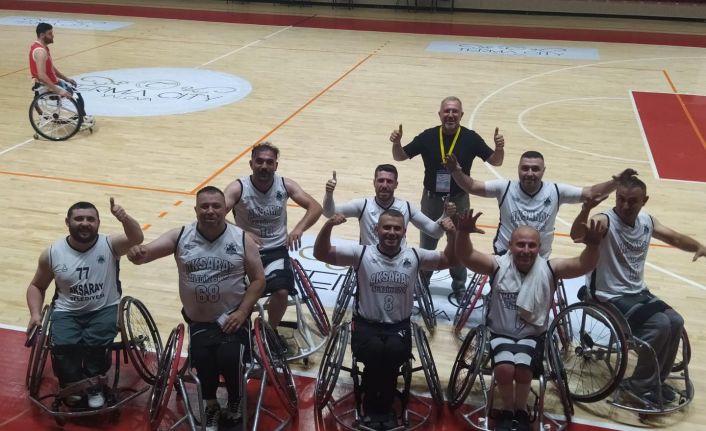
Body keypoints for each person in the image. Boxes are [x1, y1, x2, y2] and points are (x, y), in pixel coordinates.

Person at [127, 186, 265, 431]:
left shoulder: (242, 239)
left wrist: (243, 312)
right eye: (204, 206)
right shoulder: (180, 236)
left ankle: (235, 400)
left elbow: (258, 280)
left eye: (216, 206)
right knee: (203, 359)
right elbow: (146, 254)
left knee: (229, 356)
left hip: (233, 317)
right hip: (200, 322)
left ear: (225, 209)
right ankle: (211, 405)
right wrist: (137, 253)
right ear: (196, 210)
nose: (210, 211)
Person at [455, 209, 604, 431]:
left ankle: (522, 411)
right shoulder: (497, 265)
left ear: (539, 247)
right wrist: (463, 234)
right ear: (510, 246)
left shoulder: (550, 268)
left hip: (533, 337)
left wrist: (592, 246)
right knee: (505, 370)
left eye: (531, 245)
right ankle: (508, 410)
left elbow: (583, 264)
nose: (526, 250)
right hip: (500, 334)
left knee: (524, 369)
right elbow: (466, 256)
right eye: (520, 245)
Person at [314, 209, 456, 429]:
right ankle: (375, 407)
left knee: (393, 352)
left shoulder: (414, 255)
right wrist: (328, 226)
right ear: (376, 229)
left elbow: (450, 259)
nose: (391, 232)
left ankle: (381, 404)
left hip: (398, 326)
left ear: (404, 231)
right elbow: (321, 253)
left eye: (397, 228)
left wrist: (452, 235)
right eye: (386, 227)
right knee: (374, 351)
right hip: (366, 325)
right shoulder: (361, 253)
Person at [570, 176, 705, 405]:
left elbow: (674, 237)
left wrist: (699, 246)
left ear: (644, 201)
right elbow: (576, 235)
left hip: (637, 293)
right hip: (605, 296)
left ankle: (656, 381)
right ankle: (639, 386)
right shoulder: (605, 221)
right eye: (621, 199)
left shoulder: (646, 221)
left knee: (675, 321)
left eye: (632, 201)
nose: (625, 205)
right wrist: (585, 210)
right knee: (659, 325)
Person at [26, 198, 143, 409]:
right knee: (63, 347)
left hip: (103, 308)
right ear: (67, 222)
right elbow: (36, 286)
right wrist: (35, 313)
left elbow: (136, 237)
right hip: (66, 311)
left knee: (96, 344)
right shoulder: (52, 253)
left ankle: (94, 385)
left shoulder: (109, 245)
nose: (85, 223)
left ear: (98, 222)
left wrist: (123, 217)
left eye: (90, 219)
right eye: (79, 219)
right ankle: (71, 384)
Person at [389, 96, 505, 297]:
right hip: (431, 200)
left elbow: (496, 161)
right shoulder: (428, 136)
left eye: (454, 111)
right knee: (427, 245)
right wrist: (397, 143)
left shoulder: (471, 138)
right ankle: (422, 285)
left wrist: (499, 148)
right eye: (446, 111)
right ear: (440, 114)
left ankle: (459, 287)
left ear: (461, 115)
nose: (450, 115)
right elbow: (399, 156)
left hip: (459, 199)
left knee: (459, 244)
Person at [445, 151, 637, 257]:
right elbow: (472, 186)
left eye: (535, 169)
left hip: (540, 257)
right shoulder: (505, 187)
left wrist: (616, 182)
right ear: (518, 169)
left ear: (543, 171)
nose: (530, 173)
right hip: (505, 254)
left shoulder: (556, 191)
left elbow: (591, 192)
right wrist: (455, 171)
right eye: (525, 168)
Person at [224, 142, 322, 340]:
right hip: (245, 251)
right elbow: (217, 216)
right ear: (251, 164)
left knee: (282, 291)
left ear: (276, 165)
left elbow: (316, 207)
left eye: (269, 162)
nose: (264, 166)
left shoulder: (285, 185)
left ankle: (270, 331)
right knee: (235, 294)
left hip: (276, 250)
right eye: (259, 161)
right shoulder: (238, 187)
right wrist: (241, 233)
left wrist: (298, 229)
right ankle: (240, 331)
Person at [322, 164, 454, 246]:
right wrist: (329, 194)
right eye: (380, 180)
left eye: (389, 181)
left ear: (396, 184)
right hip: (368, 263)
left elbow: (435, 232)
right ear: (374, 183)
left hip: (398, 264)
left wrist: (445, 214)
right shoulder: (362, 205)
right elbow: (329, 213)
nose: (384, 185)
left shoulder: (406, 207)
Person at [29, 22, 91, 124]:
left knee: (76, 92)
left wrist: (66, 79)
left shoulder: (42, 47)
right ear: (42, 35)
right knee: (77, 95)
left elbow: (51, 68)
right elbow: (41, 75)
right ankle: (82, 118)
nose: (53, 35)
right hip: (47, 87)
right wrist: (58, 90)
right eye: (50, 33)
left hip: (51, 83)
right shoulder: (40, 52)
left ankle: (81, 116)